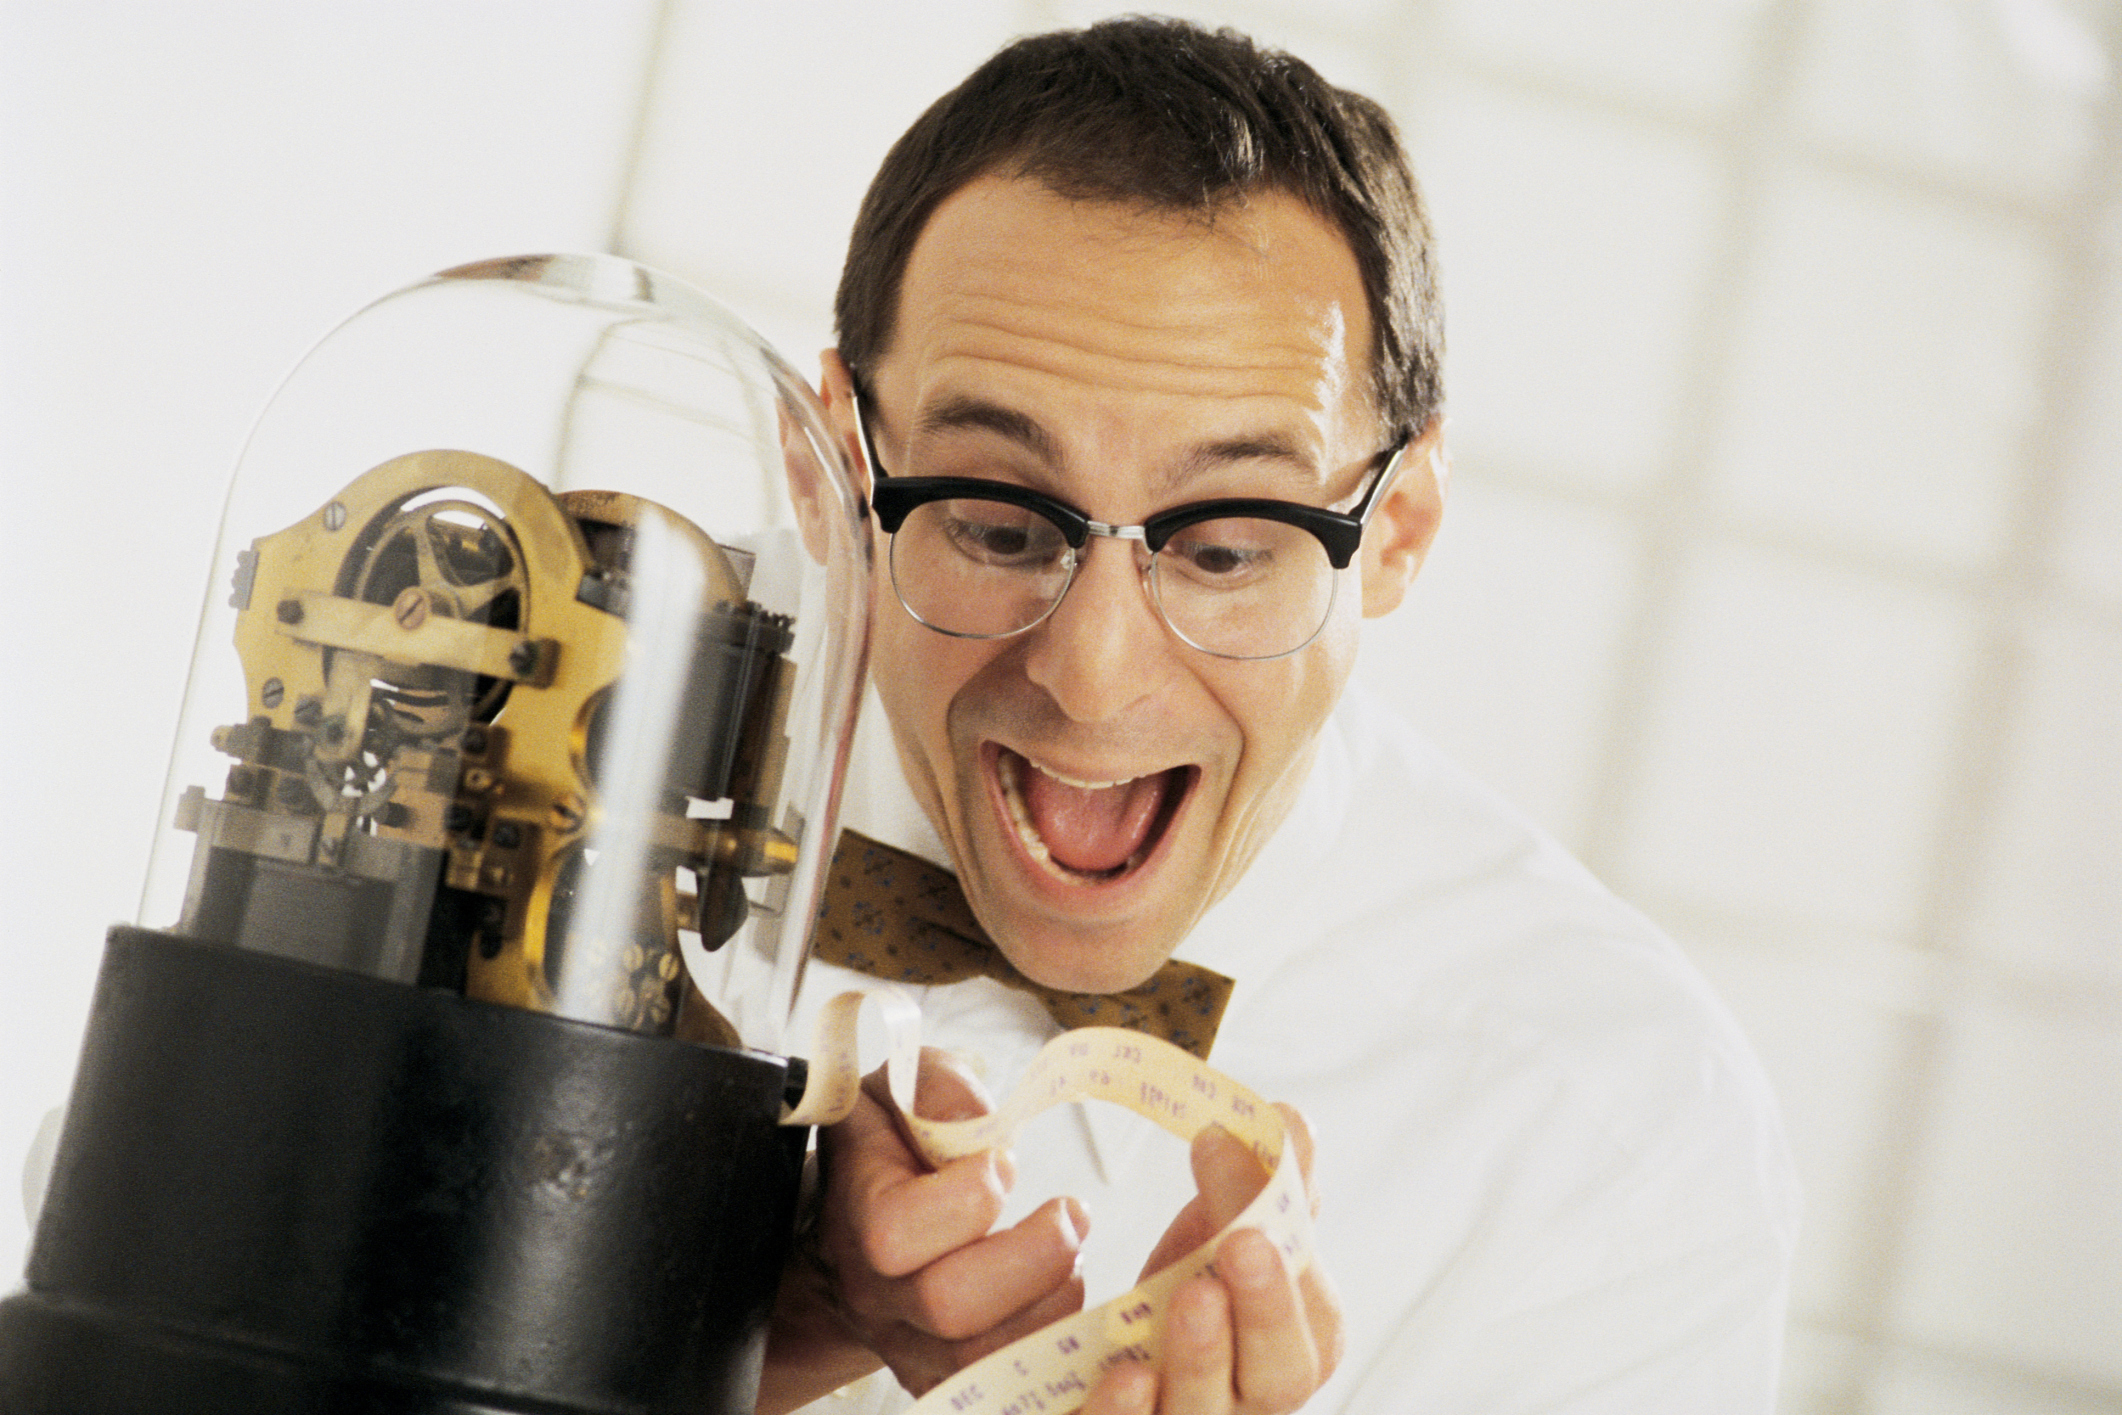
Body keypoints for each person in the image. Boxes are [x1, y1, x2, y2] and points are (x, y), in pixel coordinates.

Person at [757, 17, 1798, 1415]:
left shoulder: (1611, 1134)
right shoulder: (528, 804)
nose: (1093, 672)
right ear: (830, 468)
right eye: (998, 522)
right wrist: (753, 1349)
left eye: (1228, 545)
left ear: (1400, 532)